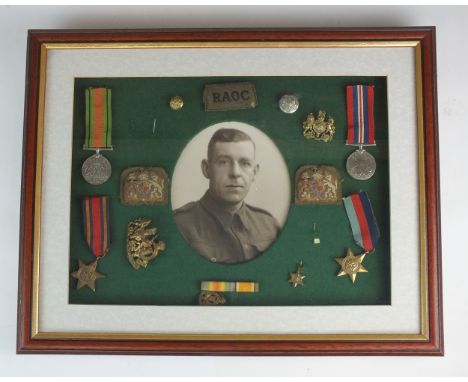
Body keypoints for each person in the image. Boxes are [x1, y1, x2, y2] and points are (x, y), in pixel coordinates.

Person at [173, 128, 280, 264]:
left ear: (255, 171)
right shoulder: (181, 225)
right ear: (207, 169)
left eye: (245, 163)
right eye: (224, 162)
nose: (235, 173)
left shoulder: (270, 226)